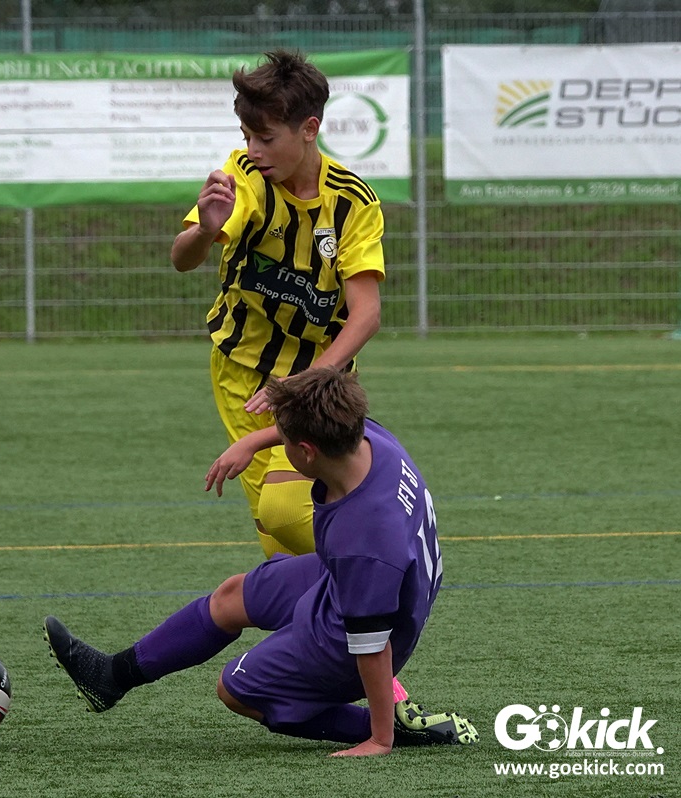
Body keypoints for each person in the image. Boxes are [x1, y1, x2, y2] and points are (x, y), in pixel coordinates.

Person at [44, 368, 479, 757]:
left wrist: (379, 739)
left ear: (307, 452)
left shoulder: (363, 539)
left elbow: (371, 646)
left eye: (283, 441)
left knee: (236, 688)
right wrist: (252, 441)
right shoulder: (368, 439)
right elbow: (311, 433)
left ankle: (388, 730)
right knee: (231, 595)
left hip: (355, 633)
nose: (279, 445)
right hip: (353, 580)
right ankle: (111, 677)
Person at [171, 50, 385, 560]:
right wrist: (203, 229)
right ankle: (348, 593)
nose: (253, 150)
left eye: (266, 138)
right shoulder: (244, 175)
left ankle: (389, 545)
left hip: (319, 382)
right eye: (247, 136)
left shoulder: (352, 202)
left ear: (309, 129)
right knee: (280, 543)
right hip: (241, 378)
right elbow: (182, 259)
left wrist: (305, 383)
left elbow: (367, 314)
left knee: (287, 514)